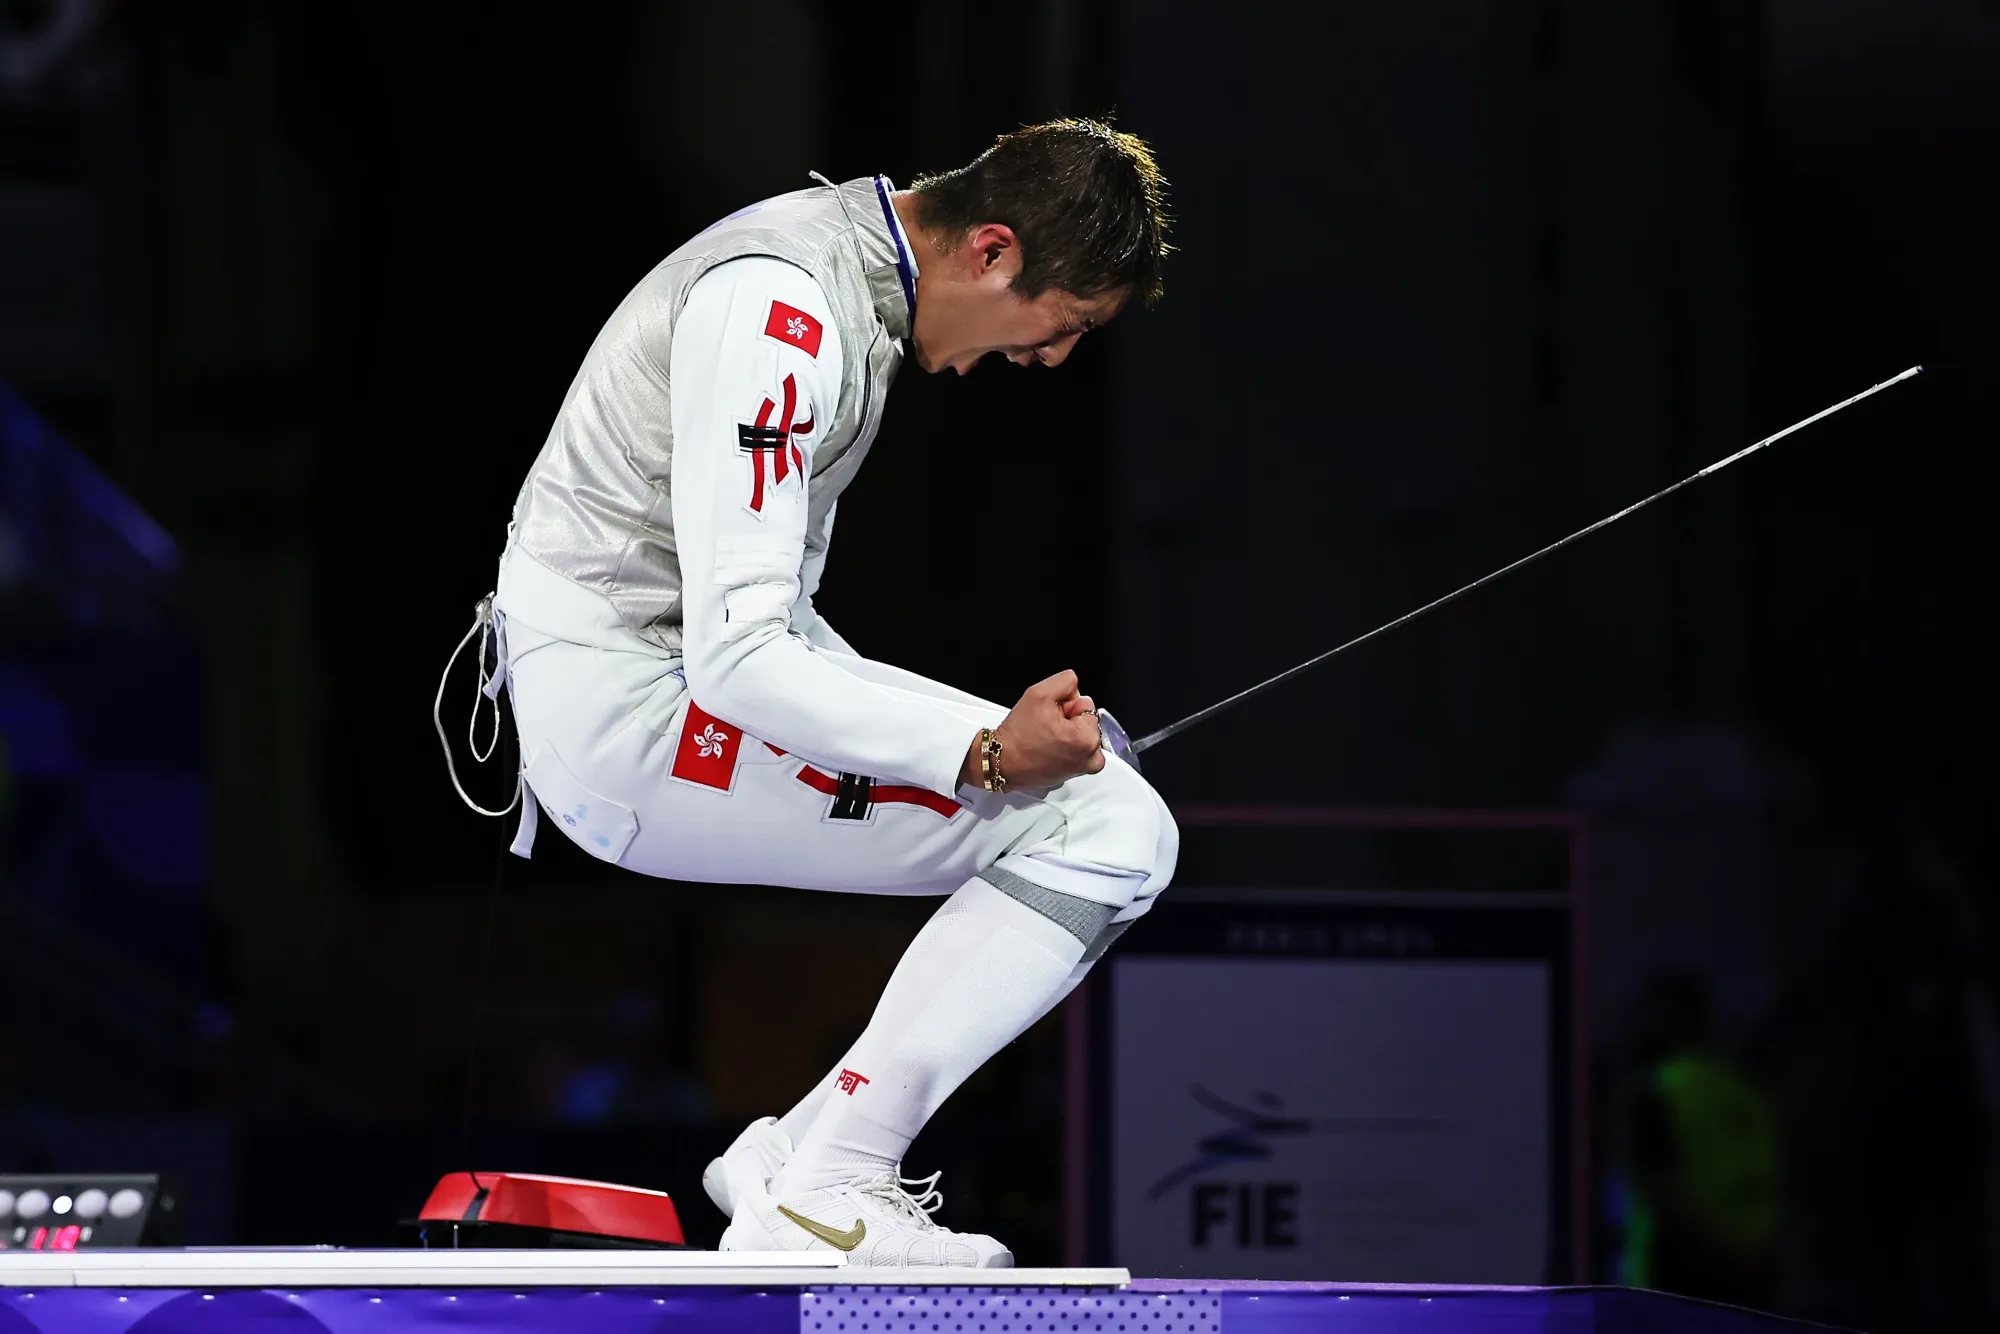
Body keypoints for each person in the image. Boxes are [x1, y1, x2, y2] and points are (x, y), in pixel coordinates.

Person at [455, 119, 1178, 1267]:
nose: (1051, 360)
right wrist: (982, 748)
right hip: (631, 715)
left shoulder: (843, 283)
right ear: (990, 251)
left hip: (659, 688)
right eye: (1066, 325)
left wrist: (997, 743)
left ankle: (796, 1159)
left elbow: (771, 626)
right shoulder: (780, 311)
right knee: (1111, 830)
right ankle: (831, 1174)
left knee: (1099, 803)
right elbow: (741, 657)